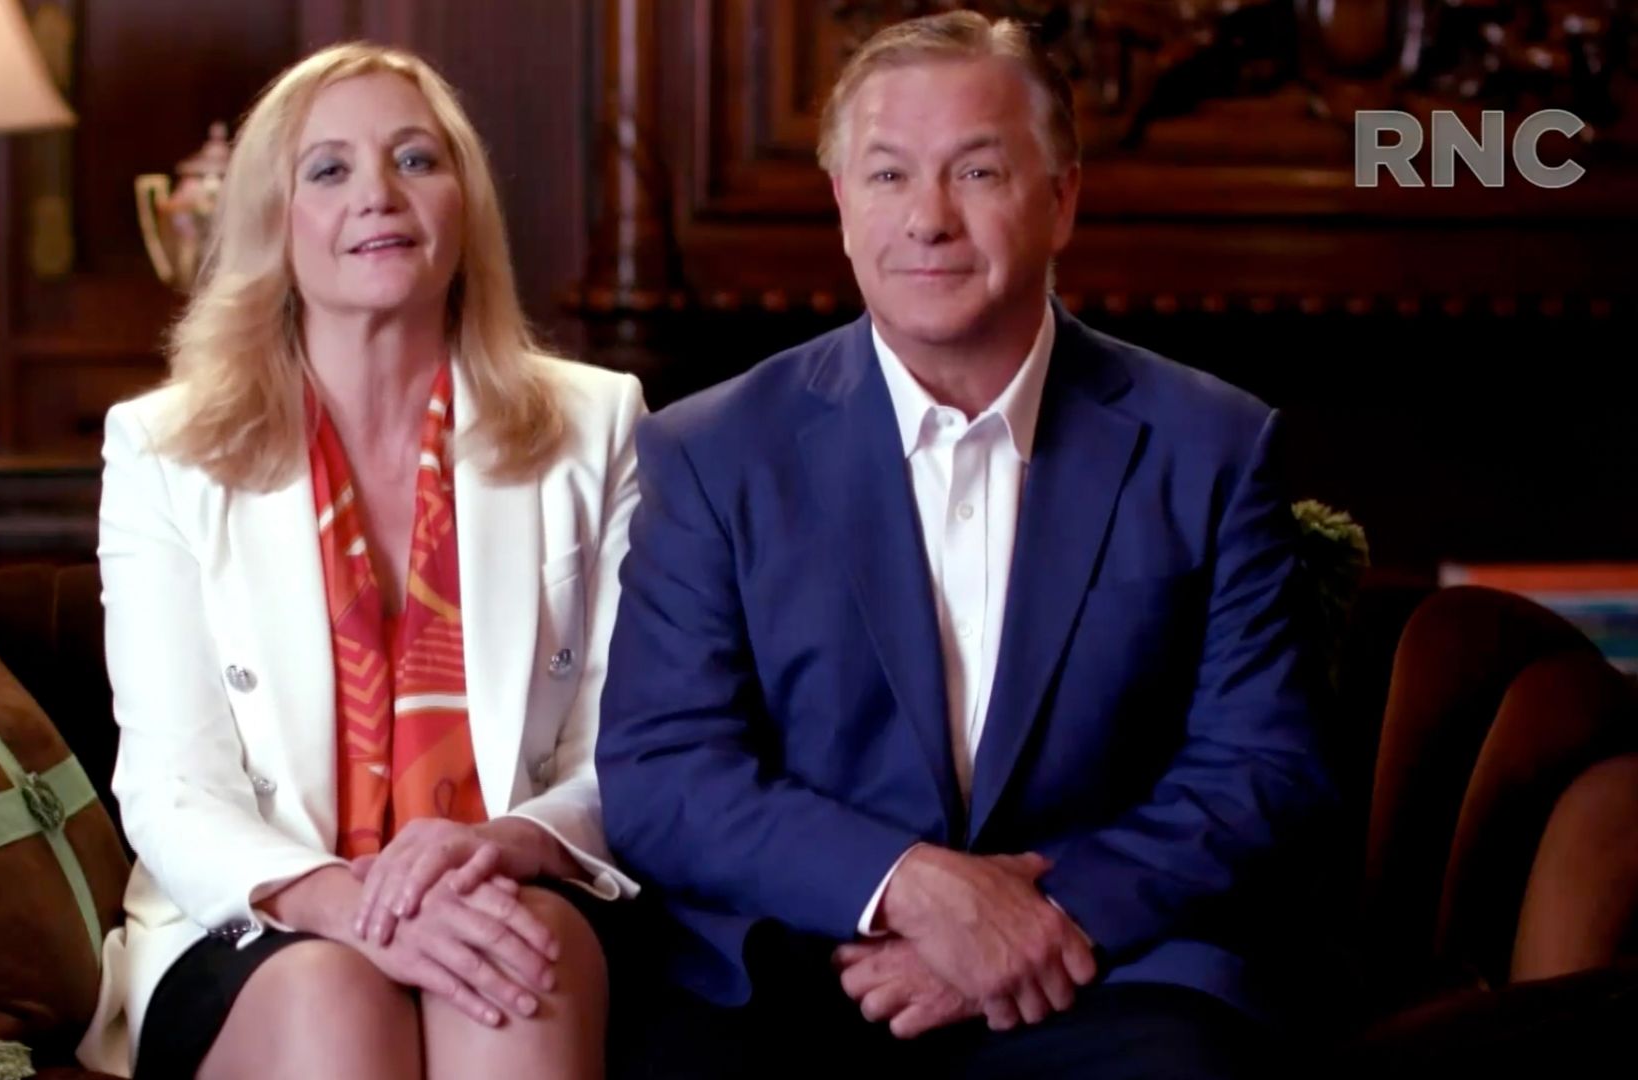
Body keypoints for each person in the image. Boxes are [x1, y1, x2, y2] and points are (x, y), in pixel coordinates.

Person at [597, 12, 1335, 1079]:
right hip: (803, 971)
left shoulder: (1210, 446)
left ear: (1062, 197)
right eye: (889, 177)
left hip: (1104, 976)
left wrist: (1041, 920)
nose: (929, 220)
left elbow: (1260, 769)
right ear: (844, 207)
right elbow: (667, 774)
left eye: (978, 172)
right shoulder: (711, 453)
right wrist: (908, 888)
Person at [78, 40, 644, 1080]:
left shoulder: (597, 423)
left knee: (510, 966)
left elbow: (633, 748)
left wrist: (501, 848)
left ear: (463, 203)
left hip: (514, 882)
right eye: (328, 170)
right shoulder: (163, 451)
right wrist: (355, 908)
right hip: (254, 914)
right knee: (335, 994)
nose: (378, 195)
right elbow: (171, 789)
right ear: (270, 221)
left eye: (416, 160)